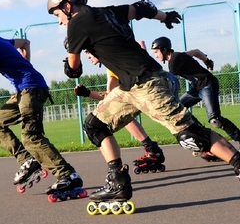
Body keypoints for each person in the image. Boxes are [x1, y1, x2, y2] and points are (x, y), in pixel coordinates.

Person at [46, 0, 240, 209]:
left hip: (147, 85)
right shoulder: (109, 11)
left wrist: (70, 67)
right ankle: (117, 181)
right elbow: (143, 7)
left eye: (58, 15)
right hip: (129, 88)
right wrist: (166, 17)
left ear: (67, 6)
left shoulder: (76, 23)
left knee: (190, 134)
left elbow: (74, 69)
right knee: (95, 125)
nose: (59, 22)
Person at [0, 13, 85, 198]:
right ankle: (28, 161)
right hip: (26, 89)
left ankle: (68, 176)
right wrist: (25, 68)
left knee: (31, 136)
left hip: (31, 89)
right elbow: (25, 43)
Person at [150, 36, 240, 158]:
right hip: (198, 87)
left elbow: (170, 81)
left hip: (207, 84)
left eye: (156, 52)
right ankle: (203, 139)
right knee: (180, 109)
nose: (156, 55)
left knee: (215, 119)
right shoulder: (179, 55)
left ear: (164, 50)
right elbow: (196, 51)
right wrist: (207, 61)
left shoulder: (174, 61)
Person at [72, 44, 168, 174]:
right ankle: (152, 149)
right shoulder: (113, 62)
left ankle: (120, 168)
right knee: (123, 114)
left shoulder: (112, 66)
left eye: (88, 53)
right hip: (159, 83)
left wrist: (88, 93)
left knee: (106, 120)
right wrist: (88, 93)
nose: (88, 57)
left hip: (150, 88)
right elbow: (111, 97)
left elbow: (109, 99)